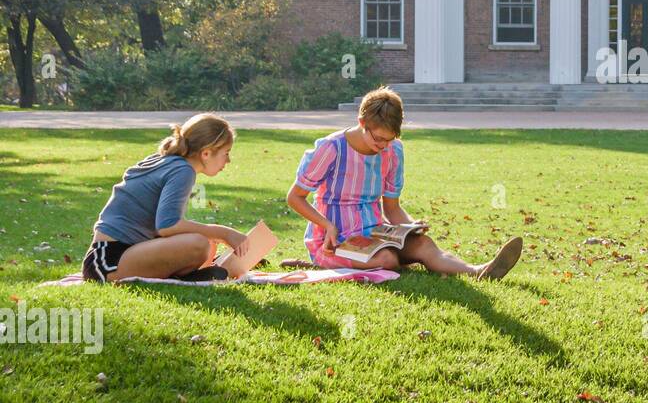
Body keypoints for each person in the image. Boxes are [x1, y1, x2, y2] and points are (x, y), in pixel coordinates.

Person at [286, 87, 523, 279]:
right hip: (334, 239)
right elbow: (295, 197)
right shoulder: (331, 149)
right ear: (361, 122)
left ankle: (479, 271)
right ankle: (319, 263)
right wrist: (326, 225)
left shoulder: (393, 151)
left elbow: (392, 208)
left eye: (389, 139)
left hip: (375, 232)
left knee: (424, 244)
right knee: (387, 259)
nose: (382, 146)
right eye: (378, 138)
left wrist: (410, 225)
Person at [83, 113, 247, 283]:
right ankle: (184, 277)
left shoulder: (171, 162)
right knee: (199, 244)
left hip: (119, 254)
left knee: (206, 243)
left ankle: (186, 276)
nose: (228, 160)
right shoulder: (182, 171)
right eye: (226, 153)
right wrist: (224, 233)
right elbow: (168, 226)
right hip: (108, 261)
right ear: (206, 153)